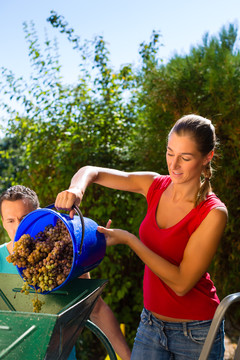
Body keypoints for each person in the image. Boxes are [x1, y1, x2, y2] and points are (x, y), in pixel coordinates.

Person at [55, 114, 228, 360]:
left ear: (207, 157)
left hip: (197, 331)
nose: (174, 165)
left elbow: (181, 284)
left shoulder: (213, 213)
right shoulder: (155, 185)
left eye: (185, 158)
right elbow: (90, 171)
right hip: (151, 324)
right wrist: (77, 188)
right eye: (170, 153)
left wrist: (130, 240)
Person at [0, 185, 131, 360]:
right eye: (10, 220)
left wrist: (129, 357)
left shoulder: (63, 259)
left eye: (24, 218)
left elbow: (96, 309)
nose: (18, 227)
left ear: (38, 214)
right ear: (3, 222)